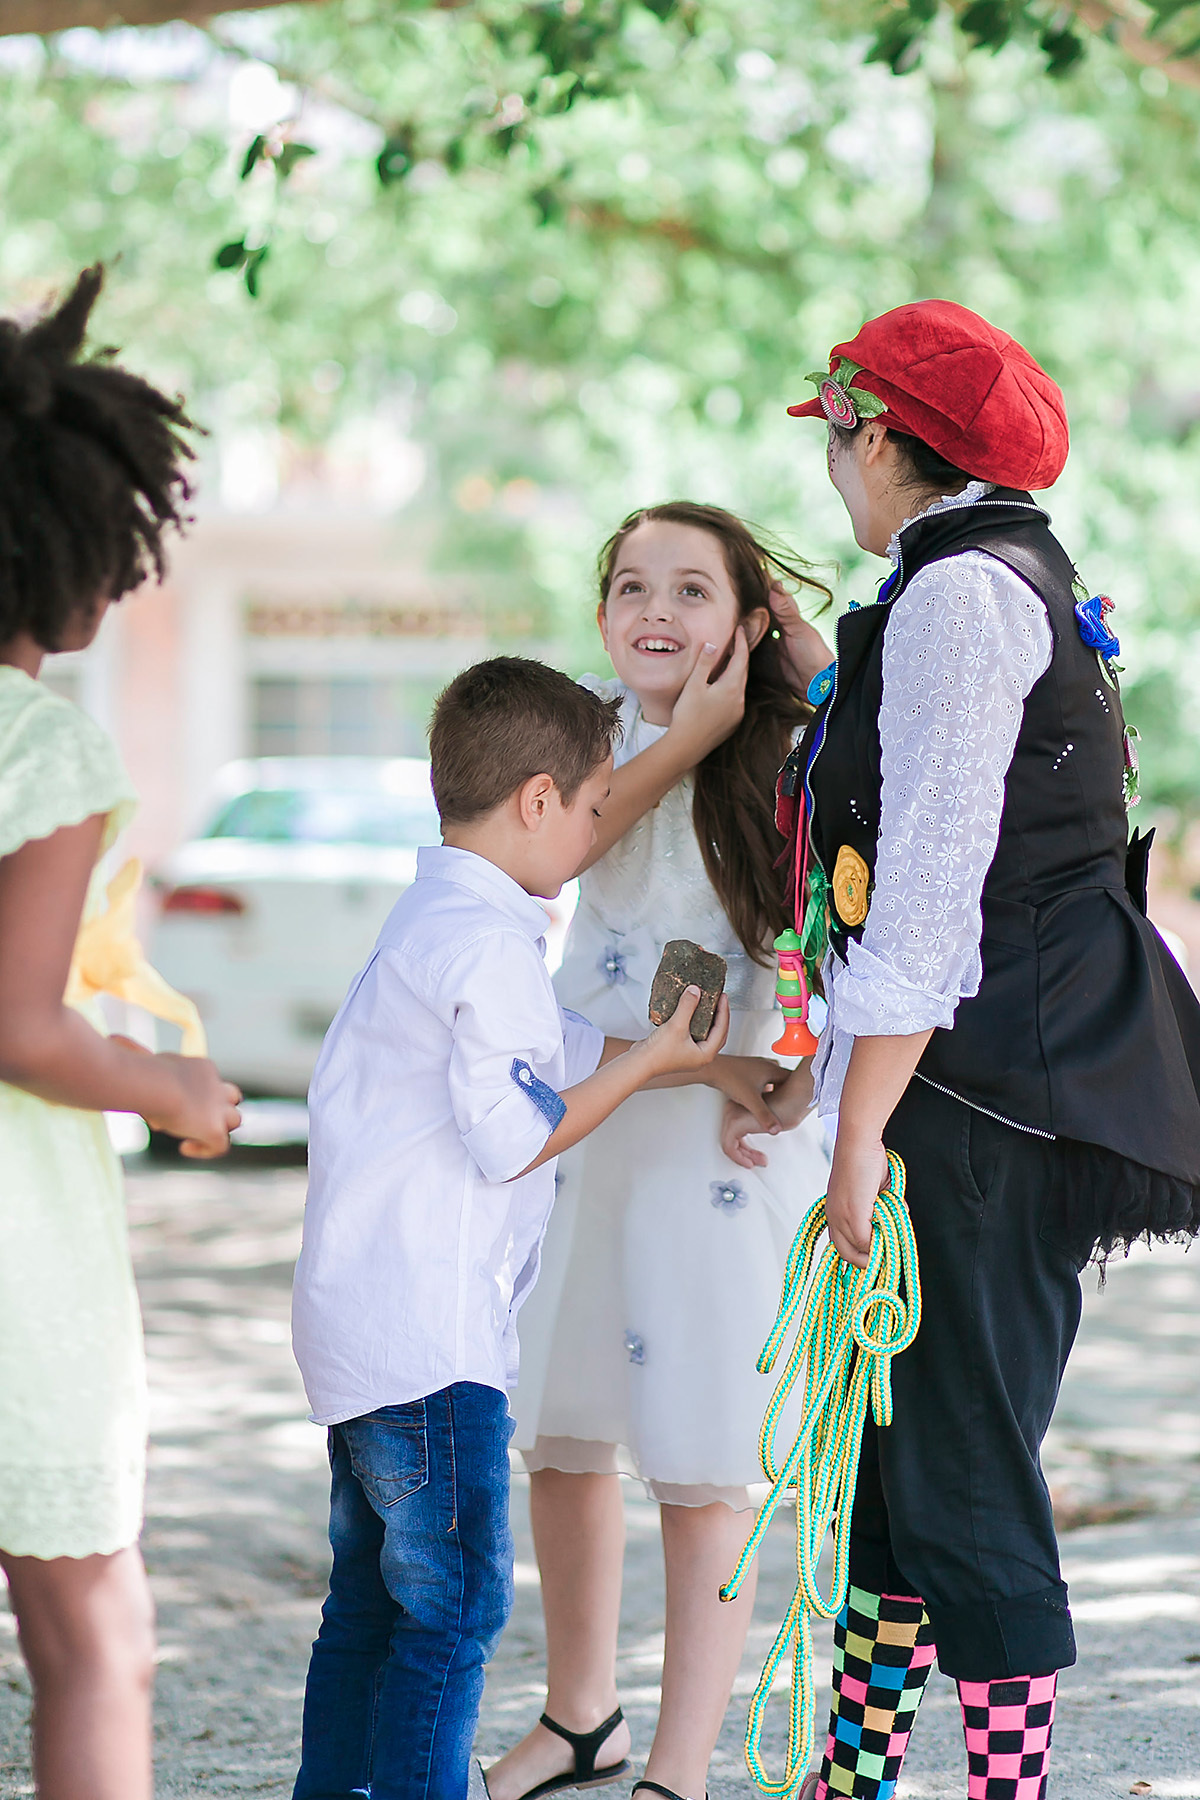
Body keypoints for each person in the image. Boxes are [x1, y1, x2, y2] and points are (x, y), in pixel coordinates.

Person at [724, 300, 1200, 1800]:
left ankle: (1004, 1789)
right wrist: (822, 680)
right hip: (1001, 1080)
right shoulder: (985, 582)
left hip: (980, 1095)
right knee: (897, 1464)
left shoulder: (954, 601)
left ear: (878, 436)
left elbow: (929, 901)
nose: (831, 474)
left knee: (966, 1465)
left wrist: (859, 1134)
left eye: (837, 438)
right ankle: (855, 1780)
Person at [289, 655, 786, 1800]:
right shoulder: (489, 947)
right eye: (601, 802)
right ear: (538, 802)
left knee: (367, 1603)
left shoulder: (437, 915)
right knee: (453, 1610)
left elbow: (559, 1056)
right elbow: (520, 1134)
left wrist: (712, 1071)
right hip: (430, 1347)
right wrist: (667, 1053)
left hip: (363, 1333)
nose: (602, 826)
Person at [488, 505, 833, 1800]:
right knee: (562, 1434)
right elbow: (552, 850)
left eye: (694, 590)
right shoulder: (578, 734)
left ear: (748, 625)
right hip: (588, 1120)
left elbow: (827, 956)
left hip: (713, 1138)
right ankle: (582, 1715)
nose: (656, 609)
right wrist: (680, 733)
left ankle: (678, 1766)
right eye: (632, 583)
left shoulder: (794, 758)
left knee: (699, 1453)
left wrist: (791, 1077)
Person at [0, 268, 243, 1800]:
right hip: (17, 1243)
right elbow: (19, 1025)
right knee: (97, 1634)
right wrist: (178, 1087)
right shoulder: (43, 741)